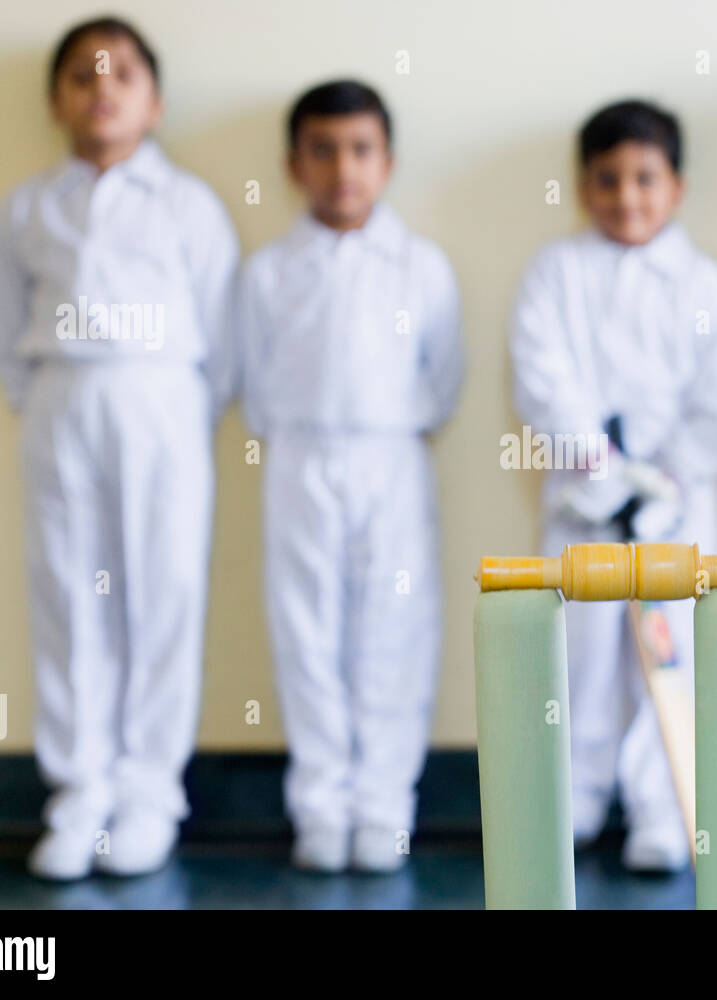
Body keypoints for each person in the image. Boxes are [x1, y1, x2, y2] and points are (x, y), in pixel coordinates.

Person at [0, 16, 239, 879]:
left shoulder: (188, 205)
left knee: (161, 593)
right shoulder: (29, 207)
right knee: (67, 594)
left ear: (154, 100)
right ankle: (78, 794)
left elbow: (222, 328)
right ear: (57, 99)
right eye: (83, 77)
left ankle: (148, 794)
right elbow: (1, 316)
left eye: (121, 74)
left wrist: (179, 405)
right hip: (63, 397)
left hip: (162, 399)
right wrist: (46, 398)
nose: (102, 91)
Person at [510, 99, 717, 871]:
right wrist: (599, 469)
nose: (627, 196)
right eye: (608, 179)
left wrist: (662, 477)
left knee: (666, 648)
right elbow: (541, 376)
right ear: (584, 186)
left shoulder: (706, 286)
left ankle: (659, 804)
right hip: (582, 502)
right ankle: (576, 796)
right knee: (577, 651)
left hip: (675, 507)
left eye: (645, 178)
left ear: (675, 186)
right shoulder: (555, 272)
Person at [236, 80, 464, 872]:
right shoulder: (269, 271)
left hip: (393, 456)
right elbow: (255, 380)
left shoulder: (421, 266)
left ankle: (382, 806)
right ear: (293, 163)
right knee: (308, 632)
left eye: (360, 150)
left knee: (393, 632)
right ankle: (322, 808)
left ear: (388, 161)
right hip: (300, 456)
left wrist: (389, 425)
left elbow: (443, 377)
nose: (343, 169)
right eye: (323, 150)